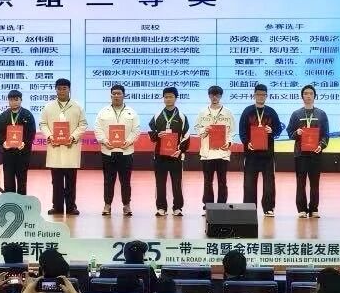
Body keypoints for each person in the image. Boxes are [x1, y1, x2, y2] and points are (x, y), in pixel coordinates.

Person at [39, 78, 88, 215]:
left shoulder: (77, 106)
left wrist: (73, 137)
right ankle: (57, 207)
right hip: (55, 148)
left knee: (71, 181)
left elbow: (83, 124)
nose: (61, 91)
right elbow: (43, 124)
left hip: (71, 148)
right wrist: (50, 136)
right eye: (59, 88)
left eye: (64, 88)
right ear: (55, 90)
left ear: (69, 89)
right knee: (56, 181)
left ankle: (71, 207)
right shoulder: (48, 107)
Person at [94, 84, 140, 216]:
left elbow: (136, 130)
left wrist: (128, 141)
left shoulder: (132, 112)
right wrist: (104, 140)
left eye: (119, 93)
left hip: (126, 151)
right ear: (110, 95)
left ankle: (126, 205)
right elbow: (98, 128)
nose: (116, 96)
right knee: (108, 181)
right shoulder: (103, 112)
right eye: (113, 93)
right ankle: (107, 205)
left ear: (124, 95)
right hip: (108, 151)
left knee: (125, 181)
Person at [238, 84, 282, 217]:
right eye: (258, 94)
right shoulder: (247, 111)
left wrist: (272, 130)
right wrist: (247, 143)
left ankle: (268, 208)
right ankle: (249, 208)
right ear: (254, 95)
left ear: (266, 96)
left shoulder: (271, 112)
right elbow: (242, 131)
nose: (261, 97)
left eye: (263, 95)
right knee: (249, 183)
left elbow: (279, 129)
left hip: (267, 155)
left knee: (269, 183)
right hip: (251, 154)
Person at [287, 84, 329, 218]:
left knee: (315, 183)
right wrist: (297, 132)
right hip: (300, 154)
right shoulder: (296, 114)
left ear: (314, 96)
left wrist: (321, 146)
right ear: (302, 96)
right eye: (306, 93)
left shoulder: (321, 114)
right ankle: (302, 209)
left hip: (315, 154)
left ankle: (314, 209)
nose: (308, 96)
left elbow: (325, 134)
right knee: (301, 183)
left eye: (311, 93)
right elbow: (290, 133)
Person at [148, 86, 190, 217]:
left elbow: (186, 135)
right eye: (166, 97)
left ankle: (177, 208)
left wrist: (180, 150)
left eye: (171, 96)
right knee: (160, 183)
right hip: (160, 156)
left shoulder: (182, 116)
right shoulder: (157, 116)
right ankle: (161, 208)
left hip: (175, 156)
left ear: (176, 98)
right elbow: (152, 134)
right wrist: (157, 135)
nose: (168, 99)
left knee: (177, 183)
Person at [194, 85, 235, 213]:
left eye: (217, 95)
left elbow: (232, 131)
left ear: (221, 96)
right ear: (209, 96)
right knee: (208, 181)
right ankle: (208, 206)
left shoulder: (228, 112)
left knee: (222, 181)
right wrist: (204, 130)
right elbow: (197, 128)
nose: (214, 97)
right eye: (212, 95)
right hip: (207, 153)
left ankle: (222, 206)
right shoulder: (202, 112)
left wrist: (229, 142)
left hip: (222, 153)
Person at [0, 90, 37, 195]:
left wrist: (25, 143)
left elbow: (32, 133)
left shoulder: (27, 115)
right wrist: (3, 142)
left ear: (21, 100)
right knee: (8, 181)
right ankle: (10, 202)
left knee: (22, 182)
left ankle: (21, 202)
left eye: (16, 99)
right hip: (8, 155)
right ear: (8, 101)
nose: (14, 102)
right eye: (11, 100)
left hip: (23, 154)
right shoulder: (3, 116)